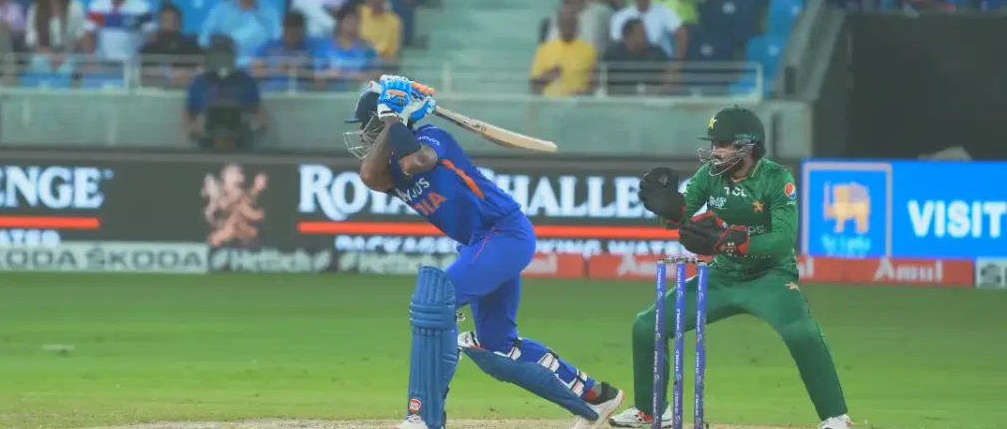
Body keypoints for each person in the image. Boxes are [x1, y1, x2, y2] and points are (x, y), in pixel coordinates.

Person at [345, 75, 625, 429]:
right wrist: (392, 120)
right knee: (498, 345)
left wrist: (392, 120)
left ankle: (423, 416)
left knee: (436, 300)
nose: (361, 135)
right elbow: (370, 176)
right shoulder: (388, 171)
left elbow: (417, 161)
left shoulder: (433, 137)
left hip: (503, 233)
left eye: (366, 126)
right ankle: (596, 396)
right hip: (481, 244)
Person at [609, 106, 852, 429]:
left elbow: (783, 240)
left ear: (747, 146)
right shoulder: (709, 175)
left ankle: (837, 418)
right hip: (722, 277)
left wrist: (731, 240)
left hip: (770, 277)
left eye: (722, 144)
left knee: (802, 333)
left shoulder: (776, 179)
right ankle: (652, 411)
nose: (715, 151)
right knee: (647, 325)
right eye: (713, 144)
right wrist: (669, 209)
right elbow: (683, 216)